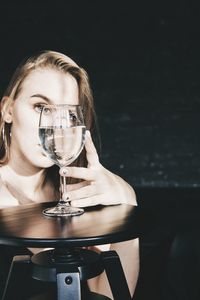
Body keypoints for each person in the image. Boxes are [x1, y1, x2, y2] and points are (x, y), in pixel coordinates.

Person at [0, 50, 139, 299]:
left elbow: (108, 294)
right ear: (8, 110)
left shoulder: (79, 197)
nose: (52, 127)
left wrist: (127, 199)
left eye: (66, 114)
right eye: (40, 107)